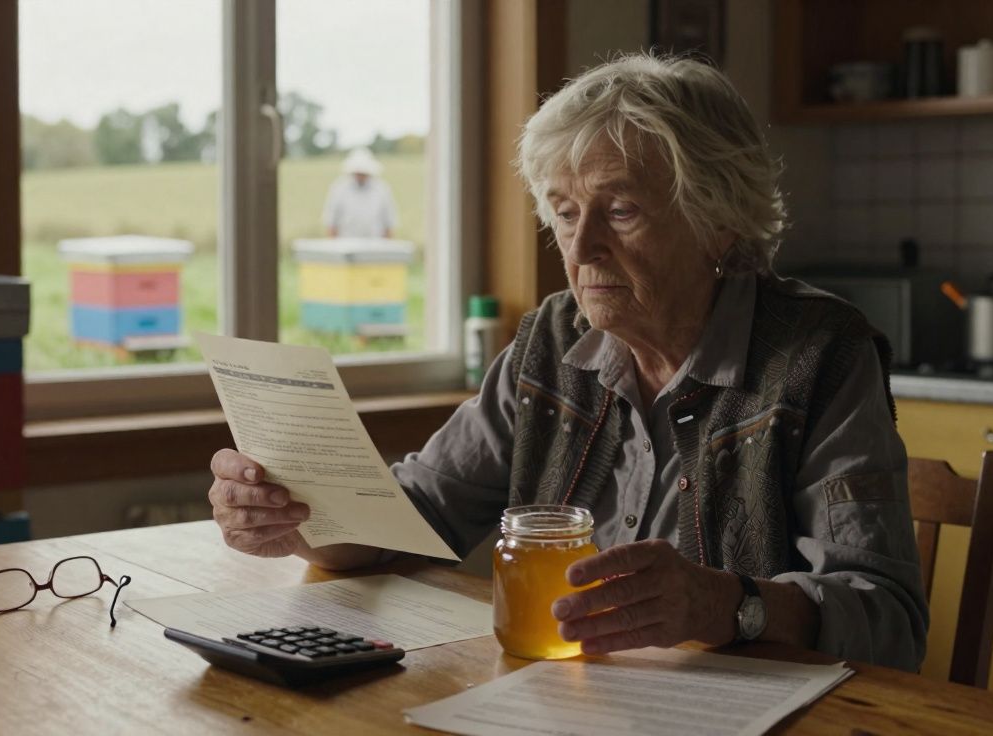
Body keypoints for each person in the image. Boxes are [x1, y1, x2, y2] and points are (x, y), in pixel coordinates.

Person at [209, 54, 928, 671]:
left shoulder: (819, 354)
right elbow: (417, 517)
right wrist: (298, 518)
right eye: (563, 210)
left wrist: (723, 604)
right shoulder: (552, 343)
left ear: (719, 220)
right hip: (560, 700)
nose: (579, 250)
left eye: (620, 212)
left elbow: (889, 623)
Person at [321, 147, 398, 238]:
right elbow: (331, 222)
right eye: (358, 172)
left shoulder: (382, 189)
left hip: (375, 245)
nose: (360, 175)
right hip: (346, 244)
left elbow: (388, 223)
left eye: (363, 173)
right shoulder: (339, 189)